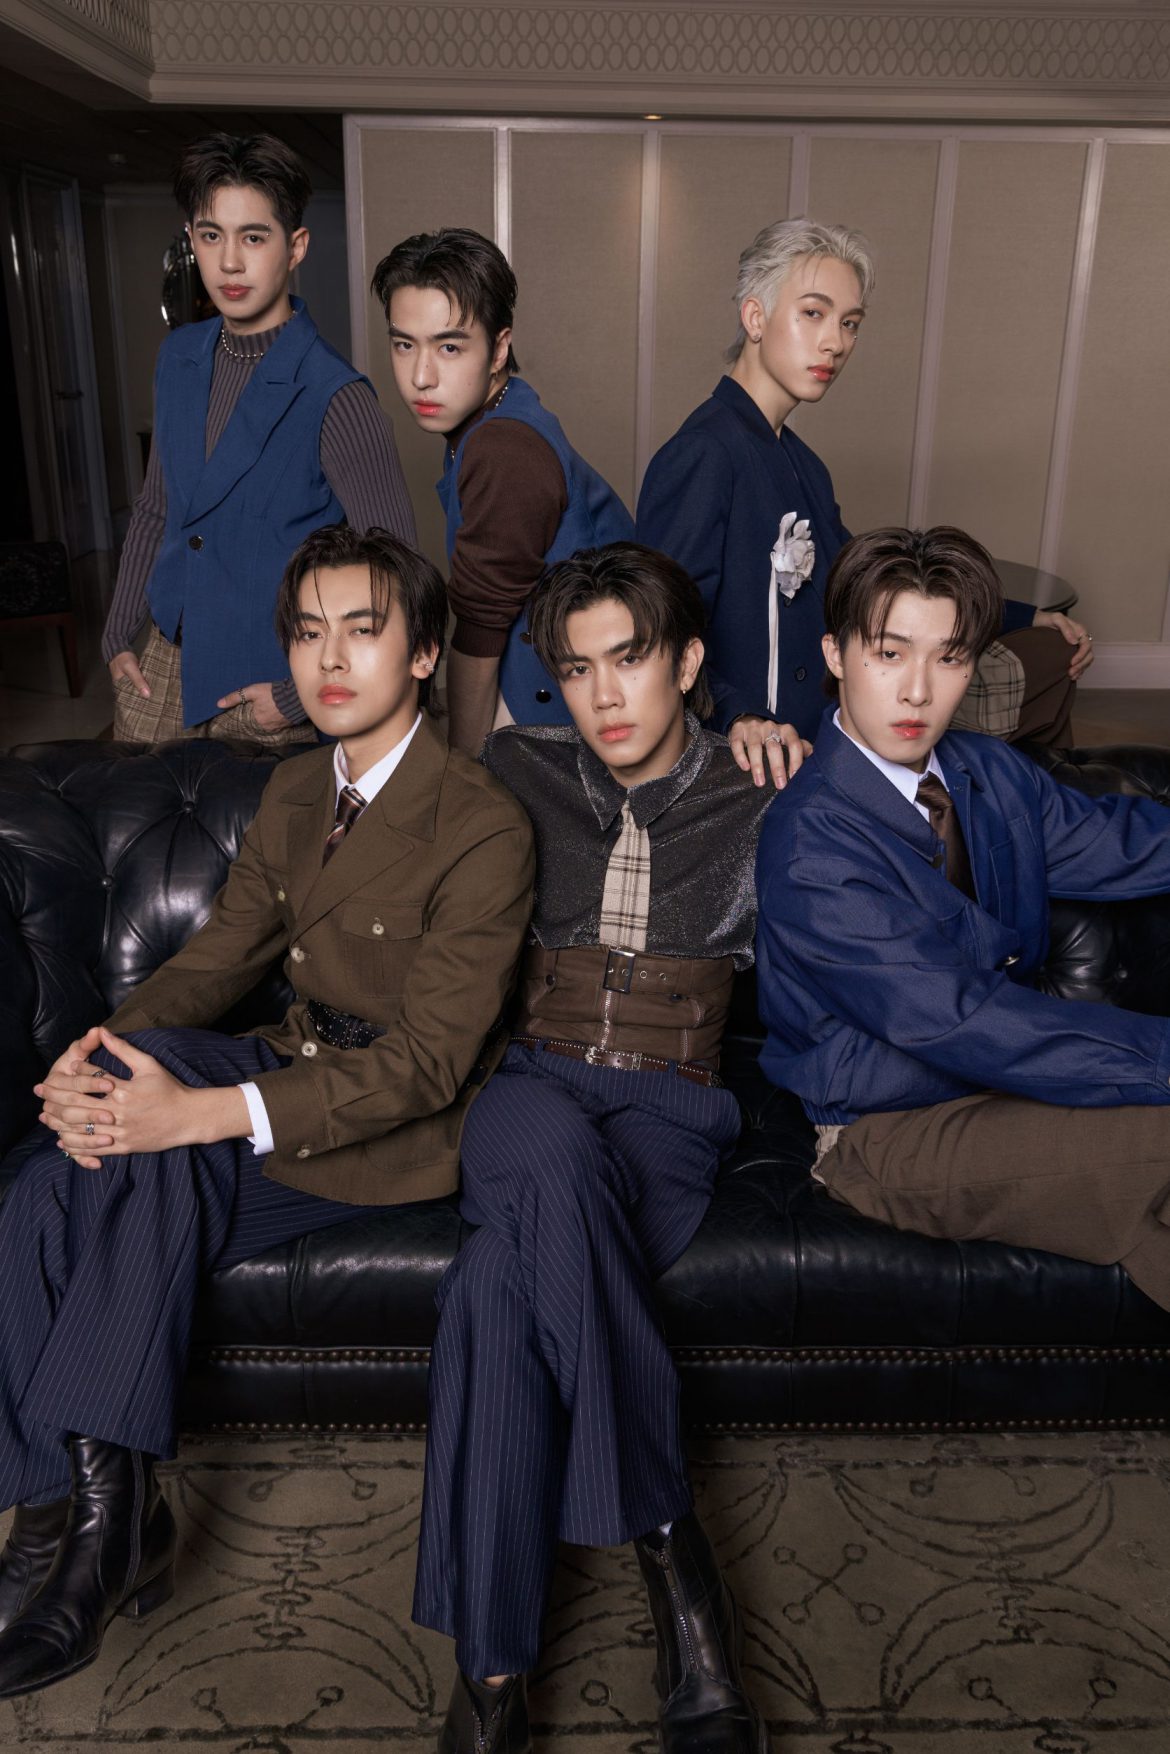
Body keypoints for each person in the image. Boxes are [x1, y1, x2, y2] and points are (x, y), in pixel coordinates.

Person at [0, 524, 534, 1697]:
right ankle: (56, 1512)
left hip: (388, 1125)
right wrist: (95, 1054)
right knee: (41, 1181)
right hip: (285, 1069)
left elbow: (428, 1066)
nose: (329, 660)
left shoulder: (481, 820)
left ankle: (104, 1532)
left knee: (144, 1146)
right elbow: (214, 962)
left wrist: (197, 1113)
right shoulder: (296, 786)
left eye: (363, 629)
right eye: (307, 632)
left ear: (425, 650)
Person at [412, 543, 775, 1753]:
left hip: (671, 1111)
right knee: (548, 1150)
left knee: (494, 1285)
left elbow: (889, 874)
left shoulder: (760, 788)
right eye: (576, 669)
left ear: (689, 661)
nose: (605, 695)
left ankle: (492, 1677)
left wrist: (793, 737)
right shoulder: (514, 768)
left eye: (630, 659)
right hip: (529, 1088)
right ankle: (677, 1562)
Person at [755, 524, 1170, 1314]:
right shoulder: (809, 847)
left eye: (948, 658)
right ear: (837, 654)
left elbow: (1123, 843)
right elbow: (962, 1019)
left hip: (1012, 1093)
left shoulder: (991, 775)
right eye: (889, 653)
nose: (918, 691)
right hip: (887, 1133)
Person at [636, 219, 1093, 791]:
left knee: (1052, 652)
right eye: (813, 313)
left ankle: (1033, 812)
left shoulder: (802, 462)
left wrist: (1022, 617)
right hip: (774, 742)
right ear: (755, 317)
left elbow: (869, 582)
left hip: (840, 704)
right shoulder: (703, 453)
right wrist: (738, 717)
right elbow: (658, 632)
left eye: (850, 323)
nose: (836, 342)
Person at [103, 132, 417, 746]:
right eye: (210, 235)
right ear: (191, 238)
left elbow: (398, 572)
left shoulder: (335, 392)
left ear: (295, 246)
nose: (229, 263)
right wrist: (116, 637)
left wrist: (296, 695)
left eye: (253, 237)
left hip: (268, 681)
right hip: (159, 667)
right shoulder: (177, 356)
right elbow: (156, 509)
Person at [371, 226, 634, 756]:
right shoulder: (498, 414)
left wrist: (461, 769)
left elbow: (481, 628)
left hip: (565, 719)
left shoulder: (503, 446)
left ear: (498, 349)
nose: (421, 376)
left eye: (449, 346)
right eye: (404, 345)